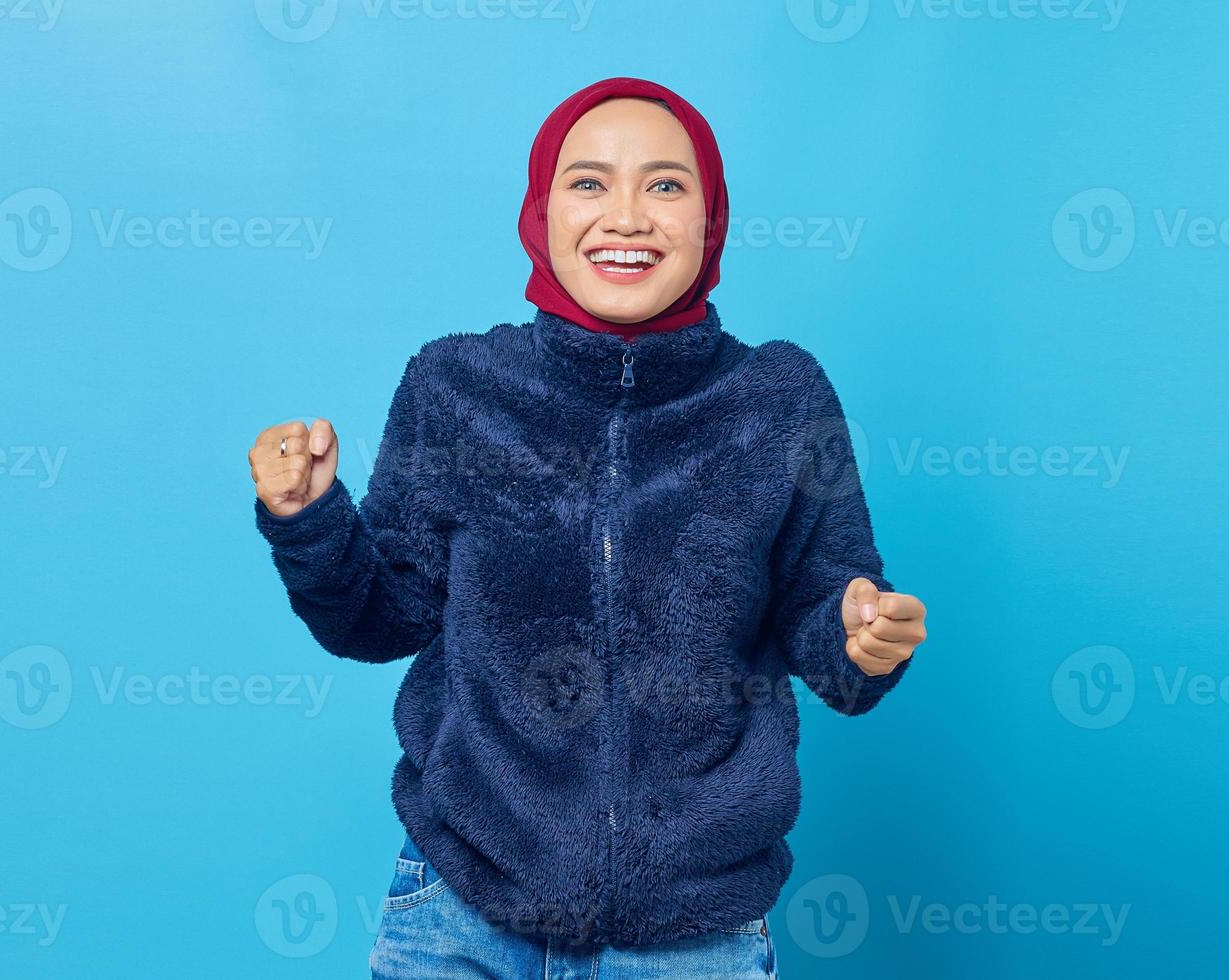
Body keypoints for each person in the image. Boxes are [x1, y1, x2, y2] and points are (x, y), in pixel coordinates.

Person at [247, 76, 928, 979]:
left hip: (695, 936)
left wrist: (865, 640)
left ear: (711, 219)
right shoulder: (454, 387)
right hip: (460, 915)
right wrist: (308, 522)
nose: (628, 216)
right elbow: (379, 618)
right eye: (589, 182)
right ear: (541, 211)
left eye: (665, 185)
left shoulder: (780, 399)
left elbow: (829, 617)